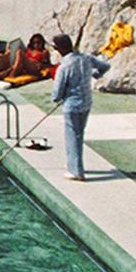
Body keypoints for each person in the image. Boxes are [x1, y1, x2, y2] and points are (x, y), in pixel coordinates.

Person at [50, 32, 110, 181]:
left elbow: (57, 92)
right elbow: (105, 66)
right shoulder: (85, 58)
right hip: (86, 103)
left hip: (72, 105)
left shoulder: (64, 66)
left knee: (72, 136)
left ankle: (76, 170)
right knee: (79, 135)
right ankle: (75, 165)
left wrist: (58, 98)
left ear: (60, 49)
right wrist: (93, 74)